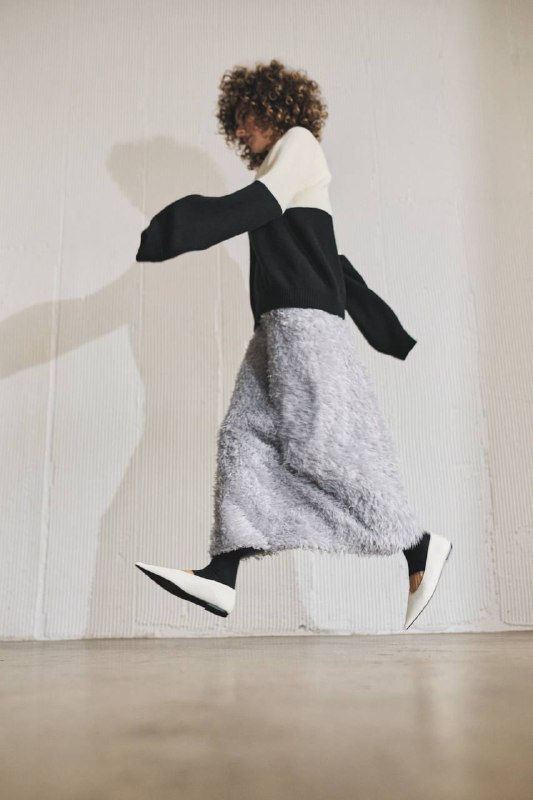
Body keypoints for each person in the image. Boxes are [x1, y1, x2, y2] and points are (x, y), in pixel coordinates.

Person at [134, 59, 453, 629]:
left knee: (321, 446)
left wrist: (171, 231)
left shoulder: (299, 143)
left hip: (304, 322)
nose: (240, 130)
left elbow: (258, 207)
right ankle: (222, 575)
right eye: (235, 122)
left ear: (275, 107)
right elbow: (325, 255)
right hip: (275, 326)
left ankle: (418, 546)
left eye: (247, 116)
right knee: (244, 440)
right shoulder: (282, 168)